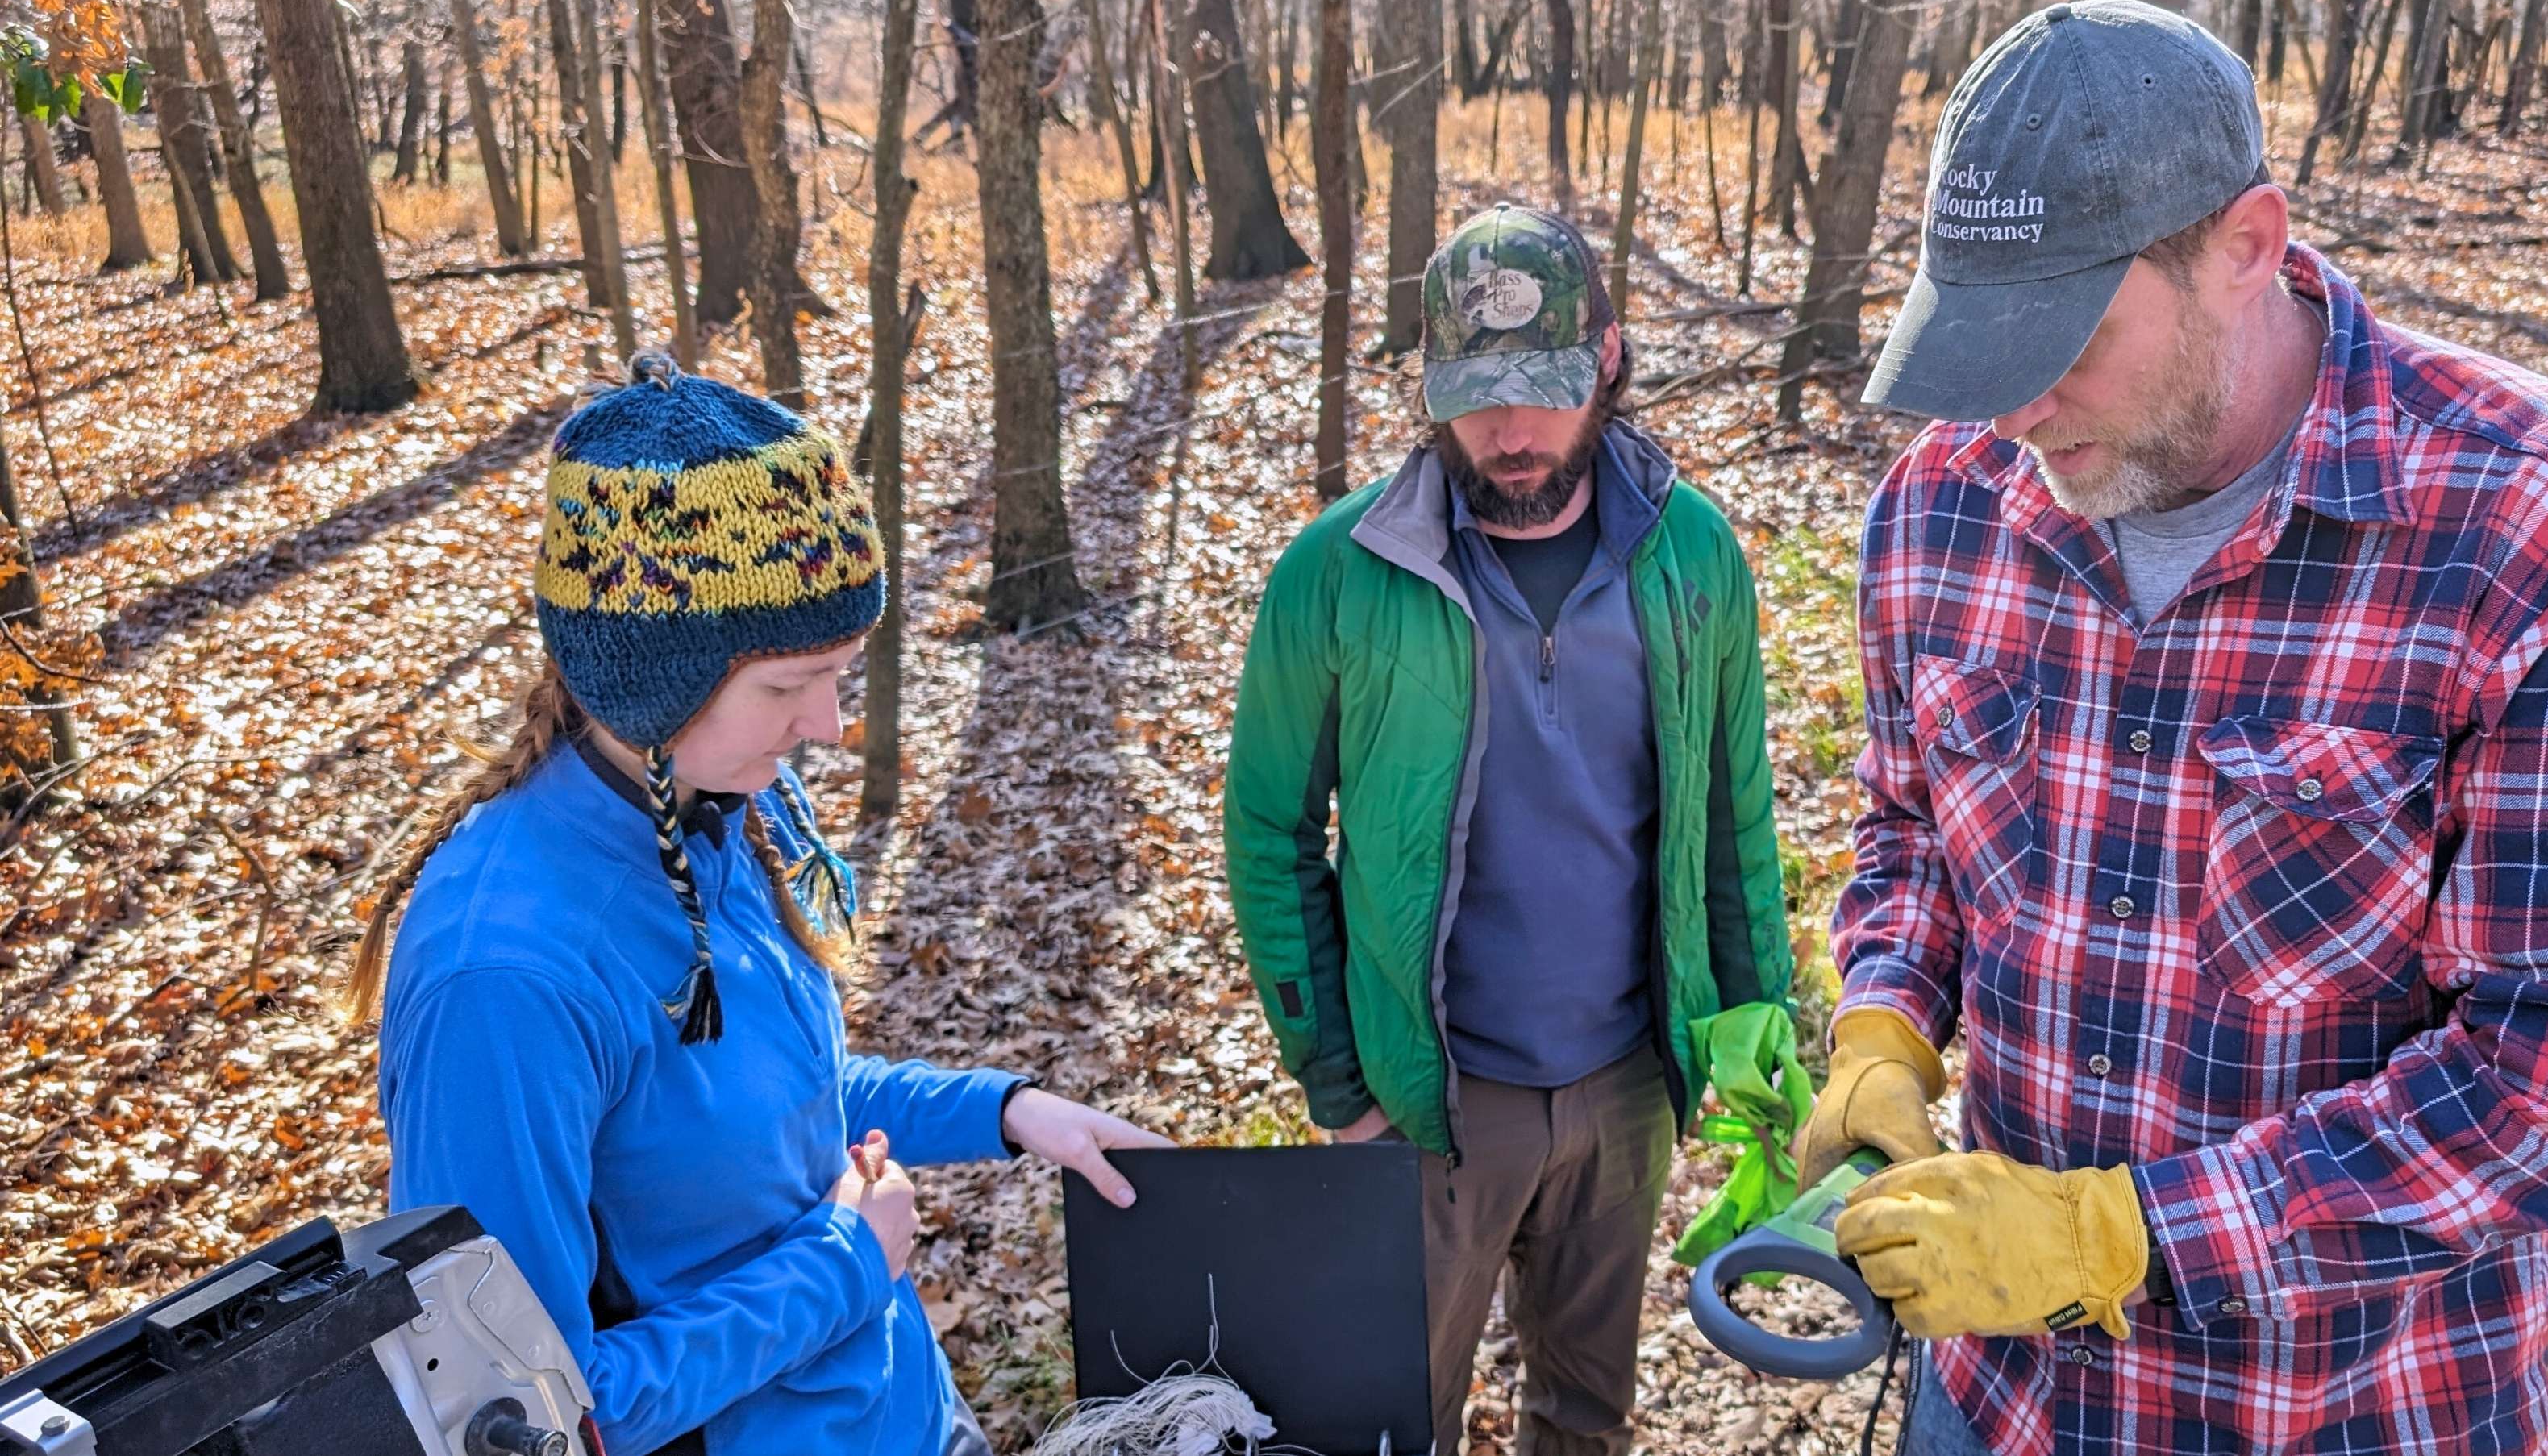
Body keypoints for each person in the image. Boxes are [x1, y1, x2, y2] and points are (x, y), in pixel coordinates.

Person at [1799, 0, 2548, 1456]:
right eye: (1981, 346)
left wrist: (2125, 1235)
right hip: (1995, 1402)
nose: (2019, 406)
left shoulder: (2542, 529)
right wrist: (1883, 1026)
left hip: (2339, 1412)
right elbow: (1914, 826)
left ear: (2243, 244)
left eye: (2068, 339)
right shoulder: (1941, 506)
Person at [352, 356, 1170, 1456]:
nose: (830, 726)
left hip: (898, 1416)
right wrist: (847, 1261)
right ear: (651, 677)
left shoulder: (709, 803)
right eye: (788, 686)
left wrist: (1010, 1112)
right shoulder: (503, 980)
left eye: (840, 672)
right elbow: (539, 1416)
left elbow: (748, 1106)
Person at [1224, 204, 1791, 1456]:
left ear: (1607, 361)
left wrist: (1757, 1029)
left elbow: (1730, 814)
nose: (1509, 432)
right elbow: (1269, 830)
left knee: (1584, 1411)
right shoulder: (1338, 571)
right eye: (1474, 395)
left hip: (1628, 1086)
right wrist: (1338, 1087)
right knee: (1390, 1413)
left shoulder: (1690, 554)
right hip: (1428, 1097)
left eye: (1537, 390)